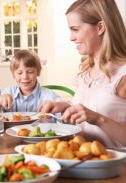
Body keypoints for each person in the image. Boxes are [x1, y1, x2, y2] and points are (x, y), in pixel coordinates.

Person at [39, 0, 126, 147]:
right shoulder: (87, 71)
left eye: (75, 29)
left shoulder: (122, 75)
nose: (71, 37)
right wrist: (65, 107)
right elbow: (89, 110)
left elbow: (96, 115)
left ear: (100, 27)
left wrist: (99, 119)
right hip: (85, 162)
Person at [0, 50, 61, 114]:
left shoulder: (50, 96)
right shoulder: (8, 92)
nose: (25, 77)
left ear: (38, 72)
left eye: (30, 72)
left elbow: (65, 117)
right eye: (19, 73)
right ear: (13, 75)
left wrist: (58, 107)